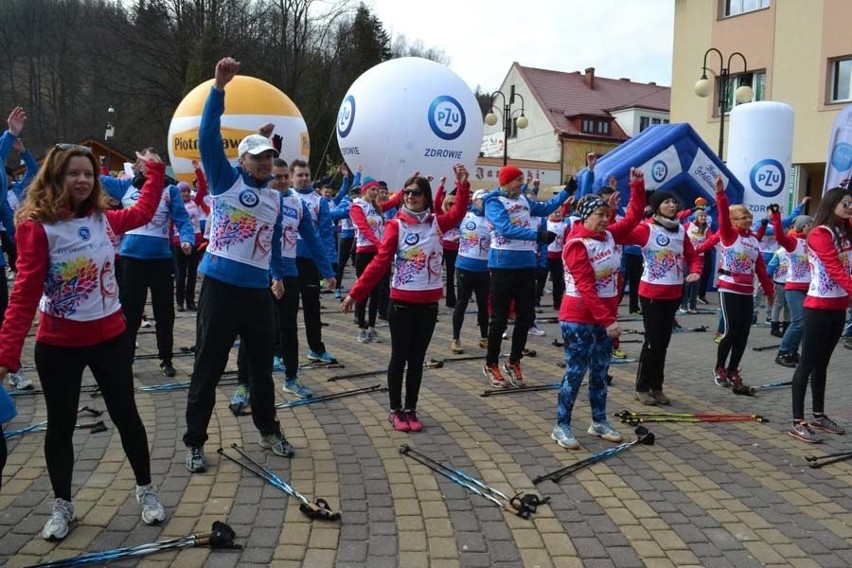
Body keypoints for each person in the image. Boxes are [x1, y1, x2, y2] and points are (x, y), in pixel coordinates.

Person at [0, 139, 167, 540]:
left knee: (126, 415)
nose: (81, 180)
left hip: (109, 337)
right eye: (73, 173)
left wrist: (156, 174)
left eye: (88, 174)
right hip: (58, 345)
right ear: (56, 176)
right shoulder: (36, 227)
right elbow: (23, 294)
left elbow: (143, 211)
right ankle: (63, 505)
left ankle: (146, 490)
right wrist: (6, 354)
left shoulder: (104, 218)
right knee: (61, 426)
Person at [183, 57, 294, 473]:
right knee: (208, 369)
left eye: (269, 158)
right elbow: (208, 135)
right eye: (258, 158)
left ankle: (268, 430)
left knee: (261, 370)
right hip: (220, 288)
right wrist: (217, 88)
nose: (265, 163)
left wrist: (279, 276)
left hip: (256, 293)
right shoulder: (225, 179)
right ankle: (195, 441)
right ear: (243, 161)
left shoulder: (275, 198)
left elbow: (275, 245)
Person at [341, 164, 470, 432]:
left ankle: (411, 407)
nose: (410, 196)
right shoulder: (395, 225)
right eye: (408, 192)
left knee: (417, 359)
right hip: (401, 302)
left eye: (416, 192)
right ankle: (395, 409)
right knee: (399, 357)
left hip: (428, 303)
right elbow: (379, 263)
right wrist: (356, 292)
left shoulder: (437, 223)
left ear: (425, 196)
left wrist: (463, 185)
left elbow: (458, 213)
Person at [230, 157, 337, 408]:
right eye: (274, 176)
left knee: (289, 328)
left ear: (289, 177)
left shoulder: (298, 204)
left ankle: (291, 378)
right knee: (251, 330)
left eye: (282, 177)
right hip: (259, 272)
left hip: (289, 273)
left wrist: (327, 271)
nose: (278, 181)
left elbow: (312, 239)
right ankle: (243, 384)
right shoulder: (260, 197)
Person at [552, 168, 646, 449]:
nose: (606, 220)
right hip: (579, 317)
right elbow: (585, 287)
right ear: (585, 216)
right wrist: (607, 320)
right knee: (575, 372)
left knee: (601, 372)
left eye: (607, 215)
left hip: (605, 319)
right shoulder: (576, 244)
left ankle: (598, 421)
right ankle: (562, 425)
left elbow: (633, 218)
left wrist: (637, 187)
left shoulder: (609, 237)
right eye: (600, 215)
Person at [482, 165, 571, 388]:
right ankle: (491, 363)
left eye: (522, 179)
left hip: (526, 263)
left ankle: (514, 361)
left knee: (525, 317)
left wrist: (566, 192)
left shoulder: (523, 198)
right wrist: (537, 235)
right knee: (499, 319)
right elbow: (504, 229)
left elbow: (545, 207)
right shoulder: (493, 201)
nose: (521, 183)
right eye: (517, 179)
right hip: (503, 263)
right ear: (506, 181)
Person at [787, 187, 852, 443]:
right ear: (831, 204)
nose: (849, 207)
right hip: (817, 307)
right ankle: (797, 421)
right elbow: (835, 268)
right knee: (808, 363)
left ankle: (818, 413)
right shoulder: (820, 233)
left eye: (851, 204)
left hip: (838, 307)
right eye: (845, 204)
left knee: (823, 363)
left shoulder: (844, 231)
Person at [631, 190, 704, 405]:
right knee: (652, 342)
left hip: (674, 293)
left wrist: (696, 270)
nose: (672, 205)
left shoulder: (681, 230)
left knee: (663, 343)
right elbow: (621, 232)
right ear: (656, 207)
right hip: (652, 293)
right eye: (666, 202)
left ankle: (657, 387)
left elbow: (692, 255)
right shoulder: (646, 228)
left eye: (674, 201)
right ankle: (642, 388)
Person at [711, 176, 774, 391]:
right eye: (743, 216)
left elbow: (760, 268)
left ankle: (733, 369)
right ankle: (719, 367)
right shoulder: (729, 235)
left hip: (747, 290)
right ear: (733, 221)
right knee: (729, 331)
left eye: (749, 216)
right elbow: (722, 216)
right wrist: (720, 194)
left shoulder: (754, 239)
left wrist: (769, 290)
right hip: (729, 287)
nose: (747, 219)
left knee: (743, 333)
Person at [291, 159, 339, 363]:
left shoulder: (319, 201)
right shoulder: (285, 197)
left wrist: (329, 268)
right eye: (299, 175)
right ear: (292, 177)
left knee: (312, 308)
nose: (303, 179)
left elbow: (326, 236)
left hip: (310, 263)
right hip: (288, 262)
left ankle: (316, 349)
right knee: (286, 309)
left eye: (306, 175)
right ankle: (278, 352)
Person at [350, 177, 398, 342]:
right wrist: (381, 246)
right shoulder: (357, 206)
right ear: (365, 189)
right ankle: (361, 328)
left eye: (377, 190)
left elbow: (394, 202)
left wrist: (409, 183)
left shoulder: (376, 207)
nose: (376, 193)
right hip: (364, 253)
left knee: (376, 292)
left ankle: (372, 327)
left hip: (378, 253)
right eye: (373, 189)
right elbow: (364, 229)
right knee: (363, 291)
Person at [450, 189, 491, 354]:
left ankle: (484, 337)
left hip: (484, 268)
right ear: (474, 201)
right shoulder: (464, 215)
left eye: (488, 200)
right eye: (482, 200)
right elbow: (447, 211)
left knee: (483, 304)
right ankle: (455, 338)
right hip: (465, 266)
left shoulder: (493, 219)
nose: (486, 203)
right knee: (462, 302)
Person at [772, 215, 812, 366]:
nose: (813, 228)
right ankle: (782, 352)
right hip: (794, 288)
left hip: (810, 289)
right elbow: (780, 237)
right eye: (810, 225)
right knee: (799, 321)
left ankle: (792, 352)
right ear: (804, 227)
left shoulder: (813, 242)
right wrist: (776, 219)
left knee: (805, 322)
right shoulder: (793, 241)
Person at [173, 161, 209, 311]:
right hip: (179, 242)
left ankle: (190, 301)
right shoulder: (174, 206)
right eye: (182, 192)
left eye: (187, 191)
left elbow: (202, 187)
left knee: (193, 273)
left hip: (195, 242)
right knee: (181, 273)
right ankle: (180, 301)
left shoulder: (195, 202)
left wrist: (198, 170)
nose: (186, 194)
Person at [680, 208, 709, 314]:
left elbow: (711, 240)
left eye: (705, 216)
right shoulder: (688, 225)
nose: (703, 218)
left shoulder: (706, 228)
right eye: (701, 216)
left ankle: (693, 306)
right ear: (696, 217)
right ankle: (683, 305)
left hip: (699, 258)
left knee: (696, 282)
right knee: (687, 281)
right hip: (687, 257)